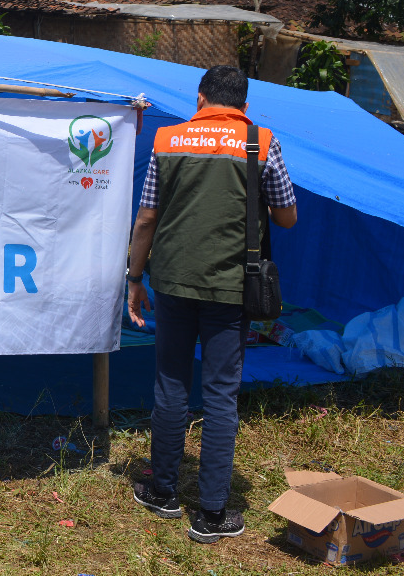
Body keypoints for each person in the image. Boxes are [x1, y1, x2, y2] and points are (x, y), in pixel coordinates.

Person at [125, 65, 297, 543]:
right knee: (221, 394)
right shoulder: (261, 142)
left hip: (172, 282)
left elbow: (146, 218)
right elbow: (286, 217)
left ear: (199, 99)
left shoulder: (167, 141)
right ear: (245, 106)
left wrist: (135, 278)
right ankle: (213, 514)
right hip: (230, 287)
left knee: (171, 384)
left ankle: (163, 491)